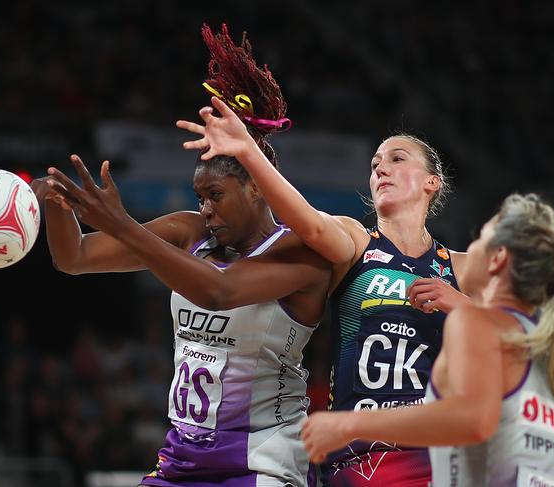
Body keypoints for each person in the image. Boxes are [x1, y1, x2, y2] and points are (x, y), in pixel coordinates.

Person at [32, 23, 330, 487]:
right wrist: (54, 204)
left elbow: (218, 290)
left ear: (255, 186)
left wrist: (122, 224)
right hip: (181, 460)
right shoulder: (185, 231)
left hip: (263, 462)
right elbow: (74, 258)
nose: (206, 209)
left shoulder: (301, 254)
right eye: (200, 197)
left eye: (216, 195)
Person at [178, 97, 471, 486]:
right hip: (357, 453)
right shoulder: (355, 240)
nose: (382, 167)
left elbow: (529, 341)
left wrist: (464, 306)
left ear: (432, 182)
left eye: (397, 159)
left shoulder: (463, 266)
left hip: (431, 449)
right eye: (375, 164)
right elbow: (312, 227)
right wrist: (248, 152)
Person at [301, 193, 554, 486]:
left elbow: (473, 420)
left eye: (479, 240)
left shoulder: (475, 323)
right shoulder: (544, 344)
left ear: (498, 258)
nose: (469, 249)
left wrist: (348, 423)